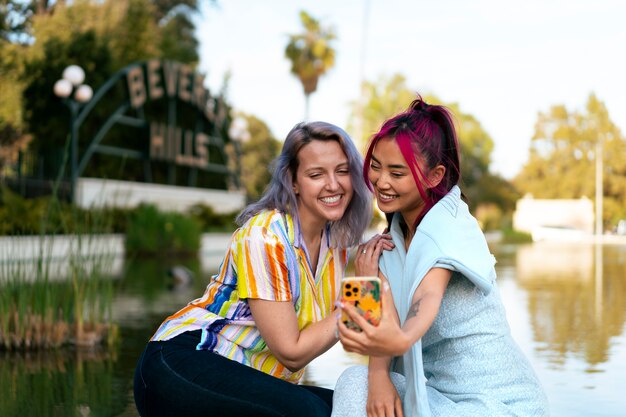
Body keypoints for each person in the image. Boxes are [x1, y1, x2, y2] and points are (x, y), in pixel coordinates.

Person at [133, 121, 374, 417]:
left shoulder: (336, 244)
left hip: (252, 377)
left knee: (354, 406)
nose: (333, 184)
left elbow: (356, 337)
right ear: (294, 182)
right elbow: (292, 353)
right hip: (181, 361)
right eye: (316, 174)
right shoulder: (265, 237)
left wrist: (369, 291)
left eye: (342, 170)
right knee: (308, 411)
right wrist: (361, 294)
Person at [332, 96, 549, 417]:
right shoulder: (390, 239)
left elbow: (427, 296)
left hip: (497, 403)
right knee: (354, 381)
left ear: (435, 177)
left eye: (397, 172)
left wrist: (400, 338)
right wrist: (367, 282)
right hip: (435, 394)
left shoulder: (448, 227)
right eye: (375, 167)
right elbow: (355, 336)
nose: (381, 181)